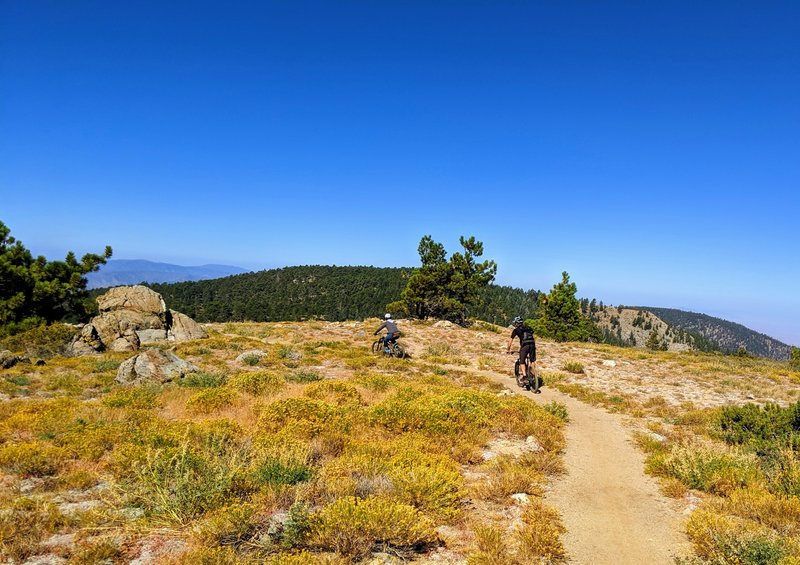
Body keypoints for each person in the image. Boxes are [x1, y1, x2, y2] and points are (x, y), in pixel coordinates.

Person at [507, 315, 538, 392]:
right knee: (532, 360)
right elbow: (533, 337)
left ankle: (525, 377)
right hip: (532, 345)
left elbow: (510, 341)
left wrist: (508, 350)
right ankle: (532, 373)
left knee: (522, 361)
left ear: (516, 323)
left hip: (525, 345)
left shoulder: (516, 330)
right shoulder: (529, 328)